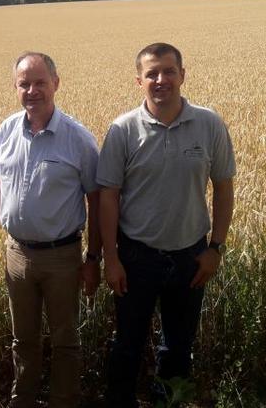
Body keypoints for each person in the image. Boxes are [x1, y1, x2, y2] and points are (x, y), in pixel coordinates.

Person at [97, 43, 236, 407]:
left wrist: (215, 249)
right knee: (127, 343)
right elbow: (107, 195)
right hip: (135, 257)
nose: (161, 80)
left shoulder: (209, 123)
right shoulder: (123, 129)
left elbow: (223, 187)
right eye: (152, 73)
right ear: (139, 80)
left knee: (178, 346)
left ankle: (169, 403)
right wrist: (110, 258)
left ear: (182, 75)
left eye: (169, 71)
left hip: (191, 255)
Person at [0, 52, 101, 408]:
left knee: (65, 340)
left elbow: (97, 201)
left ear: (56, 84)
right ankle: (23, 401)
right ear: (15, 88)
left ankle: (64, 401)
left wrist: (93, 258)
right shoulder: (6, 130)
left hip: (62, 256)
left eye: (40, 82)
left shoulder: (78, 139)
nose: (32, 90)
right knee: (23, 340)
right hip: (16, 254)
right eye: (24, 84)